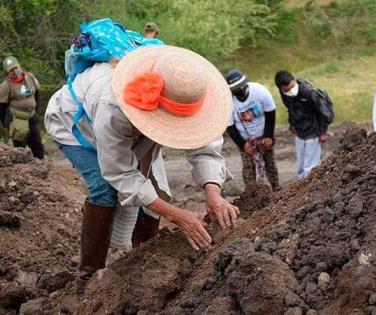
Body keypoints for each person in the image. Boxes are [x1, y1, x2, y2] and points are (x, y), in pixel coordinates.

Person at [45, 44, 239, 294]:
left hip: (134, 129)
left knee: (158, 190)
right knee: (104, 189)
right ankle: (88, 278)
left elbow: (205, 146)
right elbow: (119, 172)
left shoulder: (190, 90)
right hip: (75, 123)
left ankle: (146, 263)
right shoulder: (113, 104)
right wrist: (176, 216)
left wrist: (213, 192)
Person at [225, 69, 280, 191]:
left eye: (241, 87)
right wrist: (242, 144)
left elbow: (270, 113)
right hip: (245, 140)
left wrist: (269, 135)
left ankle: (276, 189)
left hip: (264, 135)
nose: (239, 90)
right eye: (235, 89)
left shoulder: (260, 91)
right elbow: (230, 126)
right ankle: (251, 193)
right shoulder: (228, 102)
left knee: (270, 163)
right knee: (248, 168)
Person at [274, 71, 333, 179]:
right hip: (300, 131)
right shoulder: (284, 94)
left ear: (295, 80)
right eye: (286, 90)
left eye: (292, 87)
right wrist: (292, 125)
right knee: (301, 163)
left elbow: (324, 114)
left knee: (310, 165)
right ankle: (300, 183)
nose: (290, 91)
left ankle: (310, 184)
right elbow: (290, 109)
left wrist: (323, 132)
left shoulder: (310, 93)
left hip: (314, 130)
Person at [0, 56, 45, 159]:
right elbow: (1, 107)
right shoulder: (6, 86)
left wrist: (37, 111)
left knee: (37, 144)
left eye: (15, 68)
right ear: (7, 72)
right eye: (11, 70)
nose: (14, 71)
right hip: (17, 119)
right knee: (20, 148)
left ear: (19, 66)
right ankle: (22, 169)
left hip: (32, 115)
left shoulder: (30, 78)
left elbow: (37, 94)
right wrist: (5, 124)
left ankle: (41, 165)